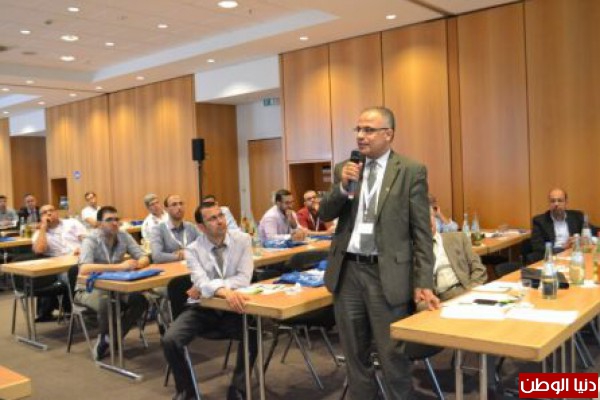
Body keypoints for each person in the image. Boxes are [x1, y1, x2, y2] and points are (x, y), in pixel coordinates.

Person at [319, 106, 438, 399]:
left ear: (388, 134)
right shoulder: (346, 168)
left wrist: (423, 280)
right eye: (358, 129)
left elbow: (421, 232)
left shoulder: (410, 171)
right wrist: (342, 187)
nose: (361, 136)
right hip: (347, 272)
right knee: (354, 356)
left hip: (387, 274)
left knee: (392, 356)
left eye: (368, 130)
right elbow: (325, 213)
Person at [162, 201, 257, 400]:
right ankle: (187, 390)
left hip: (233, 308)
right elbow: (201, 282)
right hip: (202, 309)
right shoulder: (193, 249)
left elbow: (244, 278)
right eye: (212, 219)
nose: (220, 221)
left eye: (220, 215)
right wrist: (221, 290)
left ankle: (238, 388)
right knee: (171, 339)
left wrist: (210, 287)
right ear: (201, 227)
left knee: (253, 332)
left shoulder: (242, 240)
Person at [76, 206, 150, 360]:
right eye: (109, 220)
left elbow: (144, 257)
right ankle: (106, 337)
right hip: (90, 288)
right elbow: (84, 269)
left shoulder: (123, 236)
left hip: (117, 286)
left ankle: (111, 338)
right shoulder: (90, 240)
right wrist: (119, 267)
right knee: (107, 302)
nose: (115, 223)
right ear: (99, 224)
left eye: (117, 219)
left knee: (140, 300)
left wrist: (137, 264)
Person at [31, 204, 87, 321]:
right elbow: (39, 250)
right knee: (75, 276)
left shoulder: (72, 223)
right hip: (62, 269)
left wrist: (83, 248)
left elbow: (88, 240)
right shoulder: (39, 234)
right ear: (40, 217)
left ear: (57, 212)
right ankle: (80, 310)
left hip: (83, 260)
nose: (49, 213)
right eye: (44, 212)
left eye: (51, 210)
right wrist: (43, 228)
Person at [530, 188, 596, 262]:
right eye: (553, 201)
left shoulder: (577, 216)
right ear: (549, 203)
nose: (556, 204)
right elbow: (538, 247)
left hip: (574, 255)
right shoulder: (540, 221)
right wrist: (563, 248)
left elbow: (594, 232)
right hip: (553, 258)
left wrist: (581, 239)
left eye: (560, 200)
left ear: (566, 202)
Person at [149, 194, 200, 264]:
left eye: (181, 204)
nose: (179, 207)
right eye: (174, 204)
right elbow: (156, 256)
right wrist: (184, 256)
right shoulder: (158, 230)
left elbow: (204, 246)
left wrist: (186, 253)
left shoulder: (191, 227)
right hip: (172, 269)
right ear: (166, 209)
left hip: (193, 267)